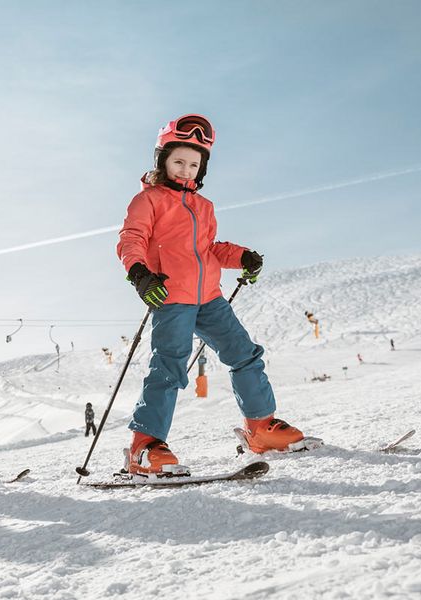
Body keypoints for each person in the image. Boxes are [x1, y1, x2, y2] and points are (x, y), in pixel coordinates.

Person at [116, 114, 312, 475]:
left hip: (209, 298)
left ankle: (261, 428)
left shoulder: (204, 207)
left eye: (194, 164)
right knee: (168, 367)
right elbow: (131, 239)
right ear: (162, 160)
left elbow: (208, 249)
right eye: (178, 161)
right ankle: (144, 445)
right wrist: (139, 273)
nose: (186, 170)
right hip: (170, 296)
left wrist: (241, 256)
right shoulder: (150, 200)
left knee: (245, 354)